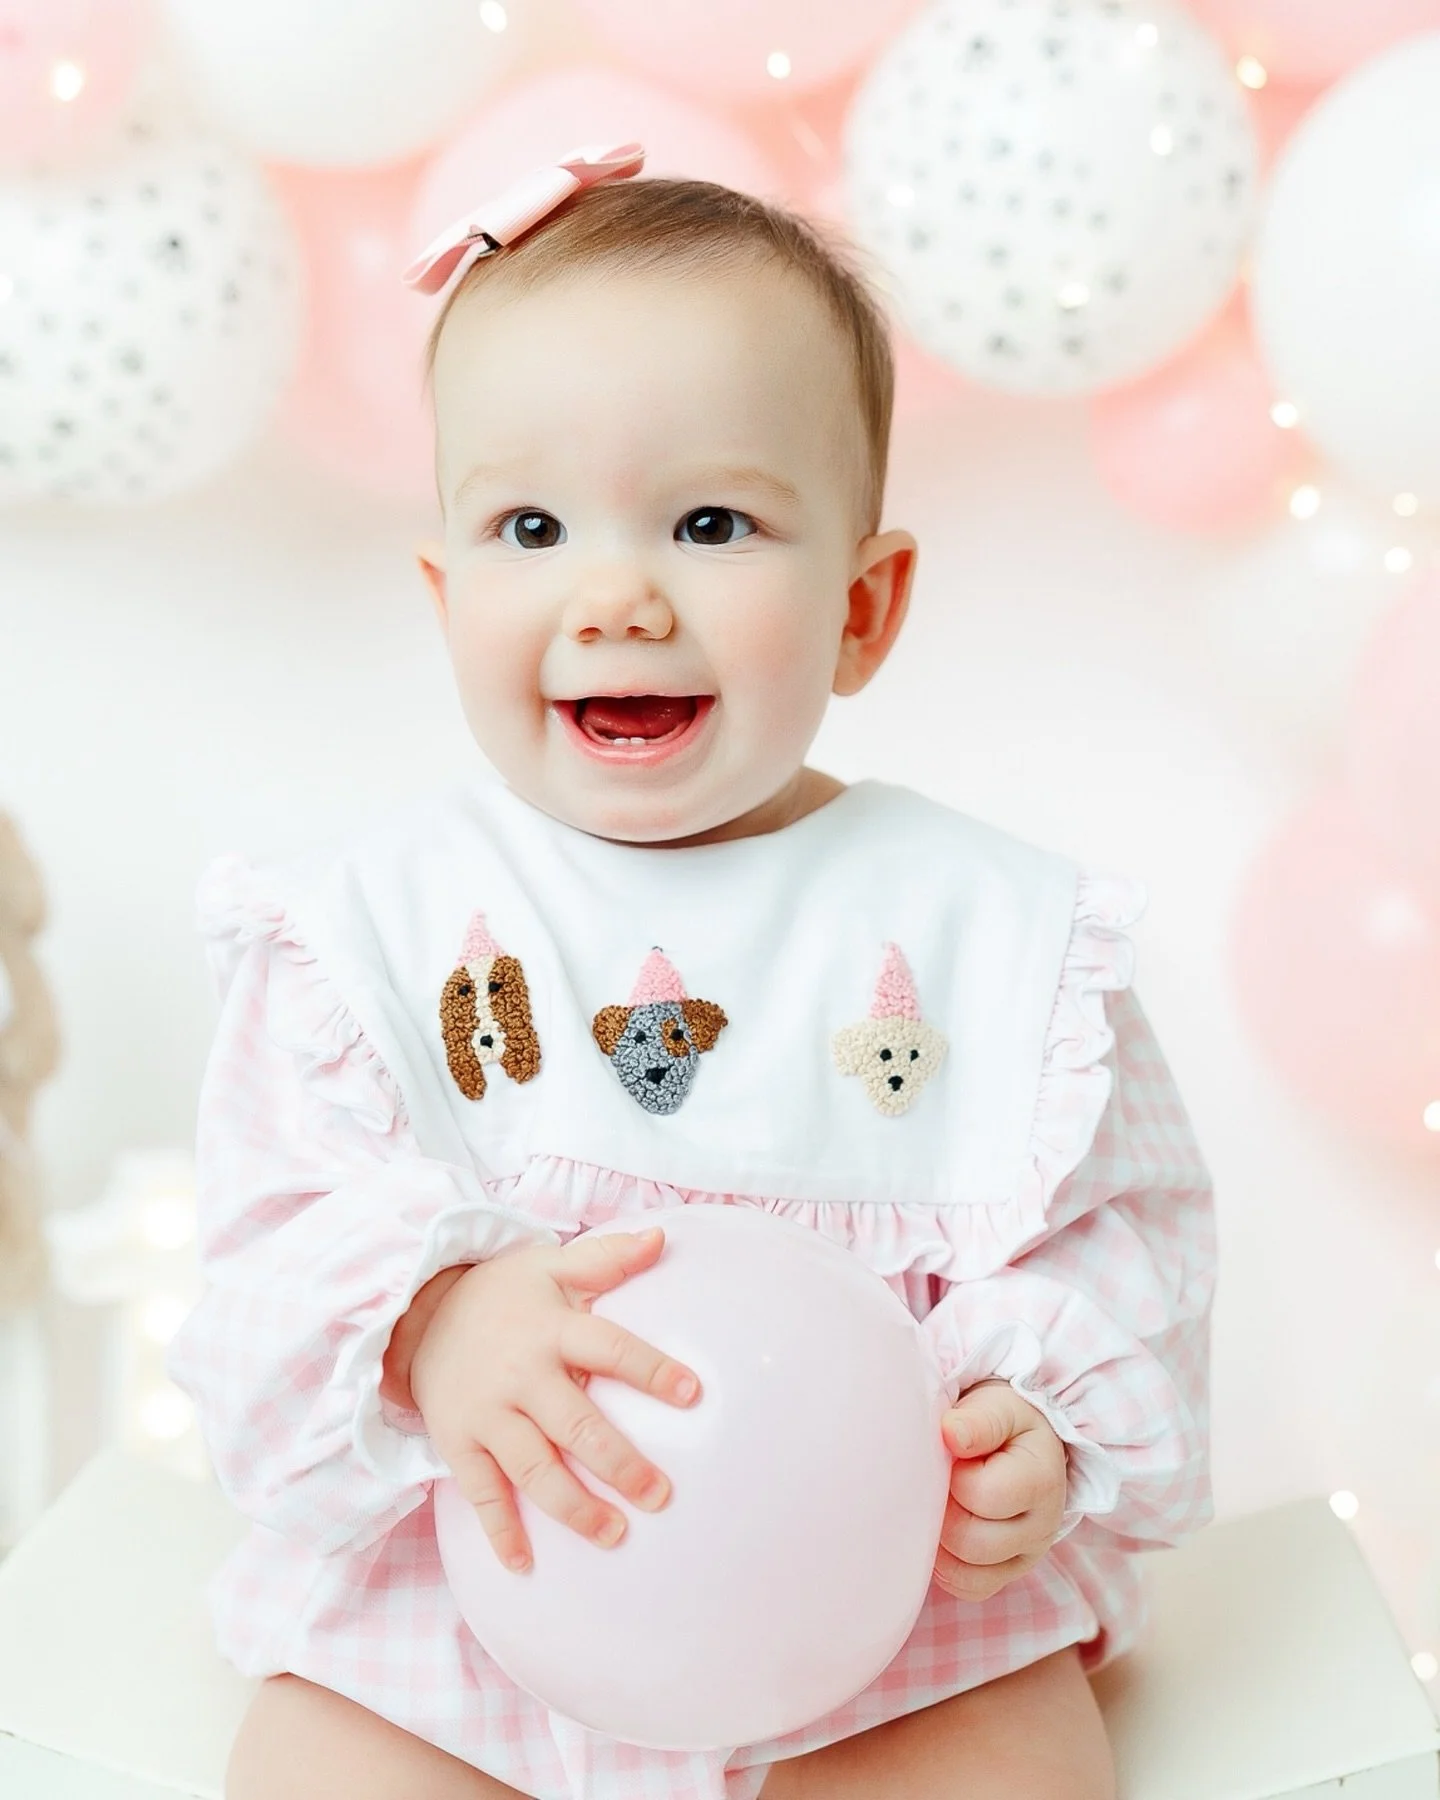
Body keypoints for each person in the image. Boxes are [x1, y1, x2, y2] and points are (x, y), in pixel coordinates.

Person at [167, 141, 1217, 1800]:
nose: (616, 594)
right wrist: (431, 1326)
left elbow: (1128, 1242)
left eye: (712, 520)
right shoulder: (367, 930)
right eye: (530, 524)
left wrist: (1039, 1422)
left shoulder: (983, 935)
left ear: (865, 608)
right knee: (313, 1765)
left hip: (895, 1626)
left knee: (1016, 1766)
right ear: (445, 597)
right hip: (465, 1602)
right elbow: (262, 1261)